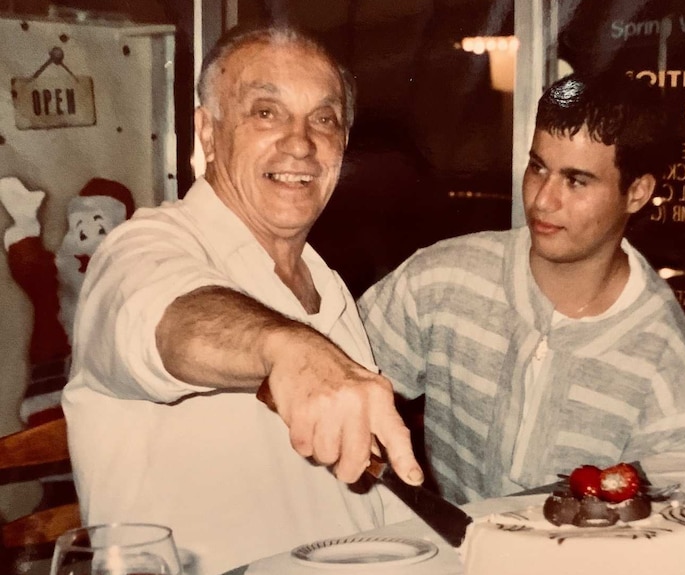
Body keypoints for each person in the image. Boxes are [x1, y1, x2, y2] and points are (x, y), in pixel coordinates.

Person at [62, 24, 423, 575]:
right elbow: (166, 319)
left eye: (324, 119)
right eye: (265, 112)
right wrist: (286, 350)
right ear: (207, 133)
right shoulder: (140, 248)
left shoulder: (323, 281)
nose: (301, 143)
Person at [358, 71, 685, 505]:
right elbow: (334, 384)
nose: (542, 200)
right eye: (538, 167)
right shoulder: (442, 278)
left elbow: (659, 523)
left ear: (636, 193)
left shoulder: (662, 354)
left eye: (576, 181)